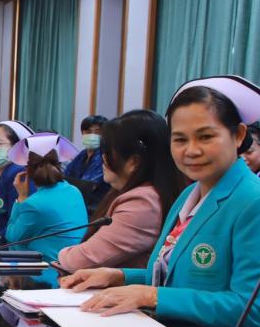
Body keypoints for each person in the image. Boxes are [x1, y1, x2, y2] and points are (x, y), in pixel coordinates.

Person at [63, 75, 260, 327]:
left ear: (239, 135)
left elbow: (251, 308)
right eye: (180, 139)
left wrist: (151, 296)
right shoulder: (190, 194)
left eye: (206, 136)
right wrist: (118, 276)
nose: (191, 150)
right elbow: (175, 278)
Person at [57, 110, 185, 271]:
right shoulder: (131, 192)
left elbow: (81, 259)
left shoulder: (142, 202)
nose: (103, 158)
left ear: (133, 162)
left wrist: (61, 255)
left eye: (109, 152)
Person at [4, 133, 87, 261]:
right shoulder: (74, 191)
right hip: (74, 264)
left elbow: (12, 236)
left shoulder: (33, 204)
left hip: (46, 269)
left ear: (27, 171)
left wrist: (21, 197)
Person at [65, 115, 106, 183]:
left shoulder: (104, 156)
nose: (92, 135)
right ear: (82, 133)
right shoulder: (82, 154)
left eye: (98, 132)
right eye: (88, 132)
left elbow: (87, 184)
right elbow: (66, 175)